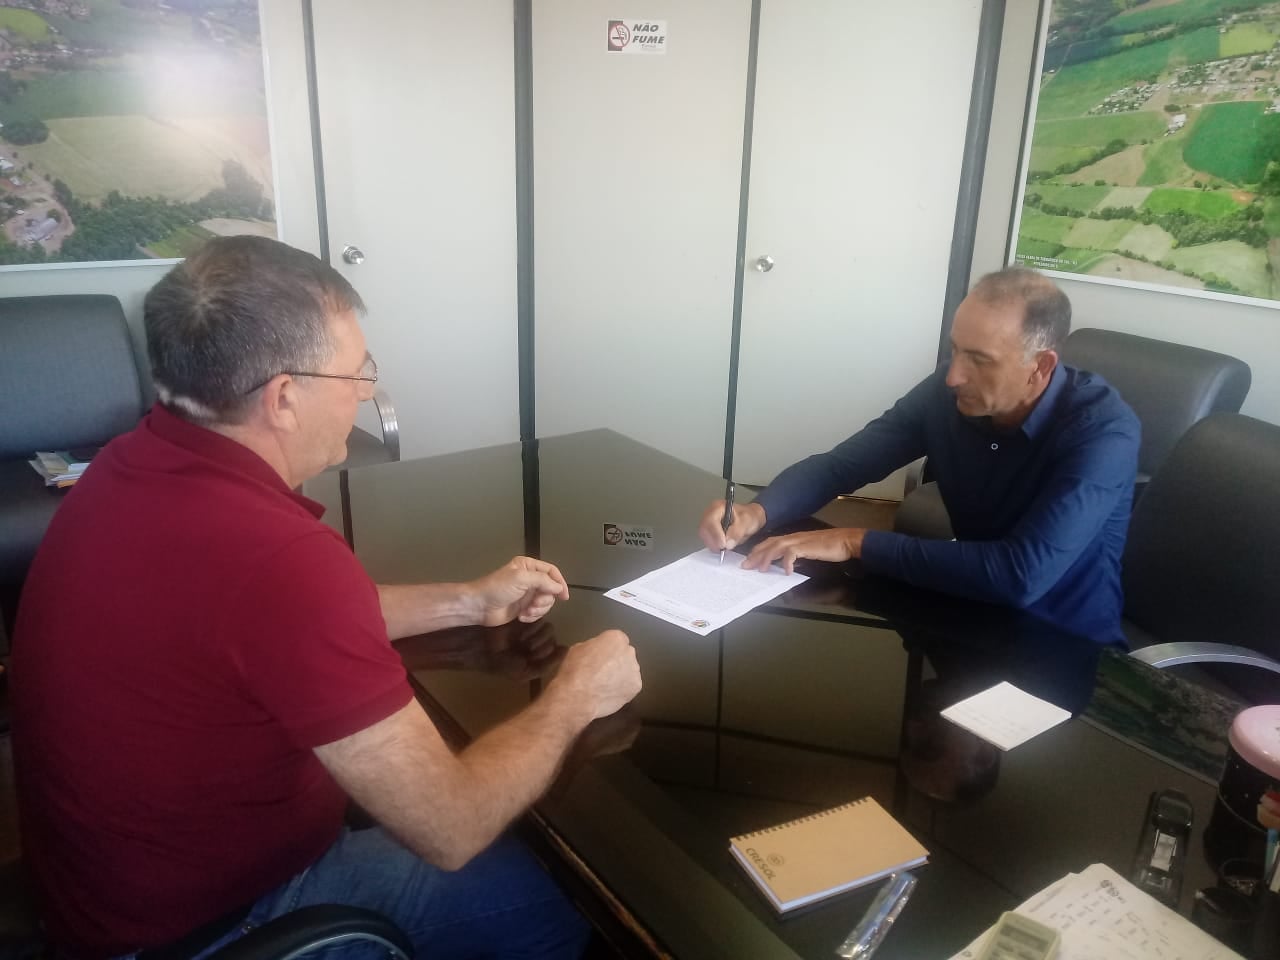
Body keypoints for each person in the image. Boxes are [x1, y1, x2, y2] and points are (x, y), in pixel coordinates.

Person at [11, 236, 642, 960]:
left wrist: (470, 600)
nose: (365, 393)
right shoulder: (281, 561)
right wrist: (574, 697)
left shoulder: (128, 463)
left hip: (100, 898)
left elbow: (267, 632)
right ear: (283, 398)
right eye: (356, 373)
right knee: (566, 900)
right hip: (216, 928)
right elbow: (453, 825)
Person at [699, 266, 1140, 645]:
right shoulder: (948, 394)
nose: (953, 376)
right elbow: (842, 465)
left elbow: (1020, 574)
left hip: (1063, 641)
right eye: (955, 349)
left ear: (1040, 367)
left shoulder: (1103, 432)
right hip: (968, 609)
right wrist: (759, 511)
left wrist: (855, 541)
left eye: (979, 360)